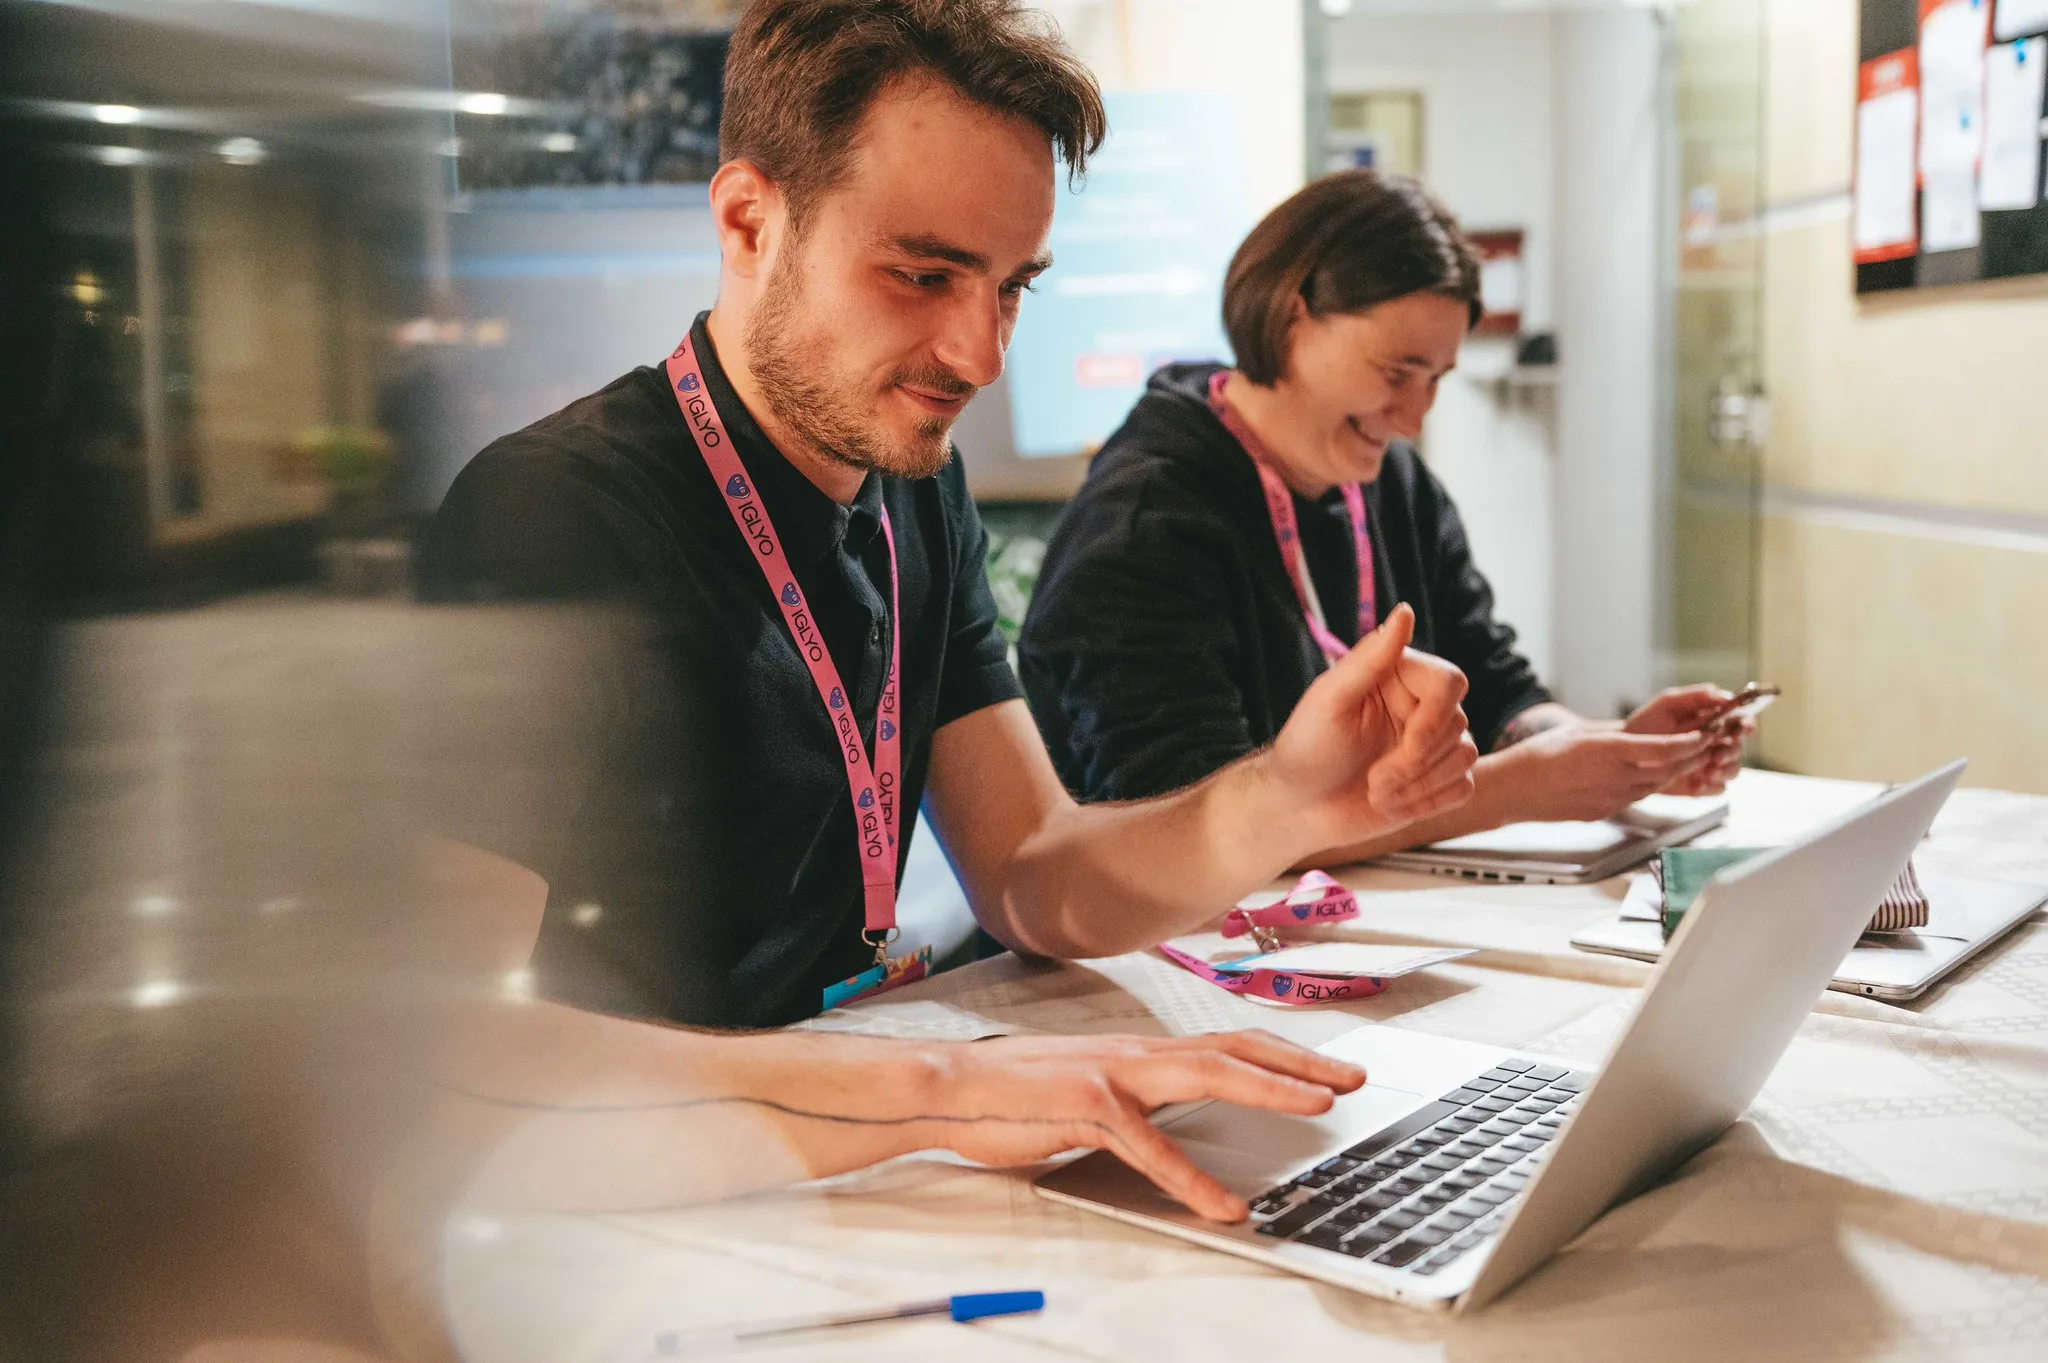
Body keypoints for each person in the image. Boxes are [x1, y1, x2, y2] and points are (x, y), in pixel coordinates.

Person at [421, 0, 1478, 1033]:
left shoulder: (915, 494)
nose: (980, 355)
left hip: (852, 1125)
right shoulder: (551, 514)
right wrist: (929, 1095)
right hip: (655, 1177)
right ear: (749, 222)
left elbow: (1027, 872)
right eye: (922, 275)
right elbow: (445, 1035)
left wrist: (1281, 799)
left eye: (1011, 287)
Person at [1018, 171, 1752, 866]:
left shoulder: (1391, 483)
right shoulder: (1147, 527)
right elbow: (1192, 835)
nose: (1414, 416)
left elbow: (1493, 686)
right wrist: (1521, 788)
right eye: (1396, 373)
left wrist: (1609, 751)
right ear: (1292, 313)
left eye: (1435, 379)